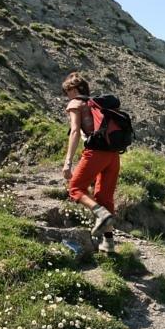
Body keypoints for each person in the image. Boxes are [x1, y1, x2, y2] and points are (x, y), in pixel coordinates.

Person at [61, 72, 119, 253]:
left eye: (68, 91)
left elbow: (75, 131)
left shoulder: (75, 103)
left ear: (75, 89)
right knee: (104, 197)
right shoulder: (97, 104)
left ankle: (100, 214)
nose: (67, 95)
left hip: (95, 153)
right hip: (113, 155)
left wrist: (68, 161)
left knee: (75, 188)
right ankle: (108, 244)